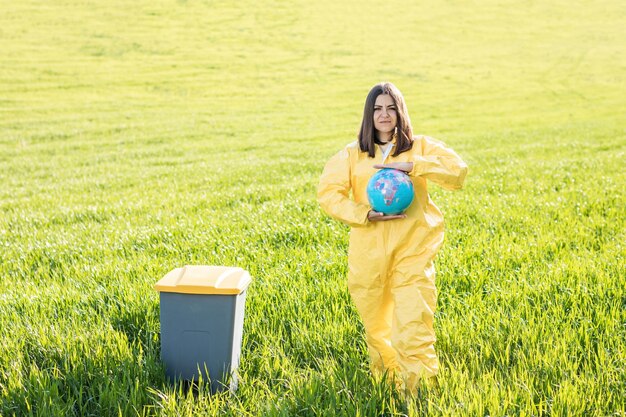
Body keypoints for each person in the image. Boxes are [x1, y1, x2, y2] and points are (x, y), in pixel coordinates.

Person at [317, 82, 468, 393]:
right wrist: (363, 213)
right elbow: (328, 195)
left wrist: (413, 166)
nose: (384, 115)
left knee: (414, 324)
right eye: (377, 109)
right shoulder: (352, 154)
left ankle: (419, 392)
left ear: (400, 112)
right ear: (368, 114)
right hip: (368, 255)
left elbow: (458, 172)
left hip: (413, 250)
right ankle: (388, 388)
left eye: (390, 108)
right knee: (377, 328)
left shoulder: (420, 147)